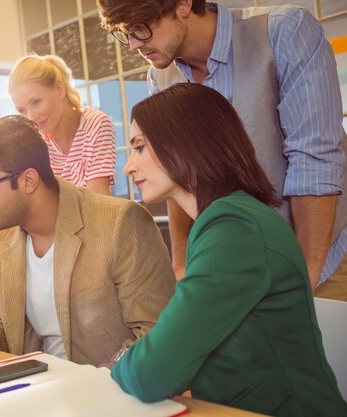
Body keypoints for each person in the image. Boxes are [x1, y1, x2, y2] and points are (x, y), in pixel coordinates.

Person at [111, 83, 347, 417]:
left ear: (185, 141)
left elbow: (153, 372)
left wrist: (122, 361)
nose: (129, 167)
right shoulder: (226, 220)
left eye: (139, 147)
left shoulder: (234, 229)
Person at [96, 0, 347, 299]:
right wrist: (182, 267)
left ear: (183, 4)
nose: (134, 44)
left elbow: (313, 162)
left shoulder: (284, 32)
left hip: (324, 257)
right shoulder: (161, 78)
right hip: (242, 270)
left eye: (141, 27)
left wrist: (301, 281)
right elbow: (177, 175)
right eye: (126, 33)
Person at [0, 115, 176, 366]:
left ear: (28, 180)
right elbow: (7, 332)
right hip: (37, 393)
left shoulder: (119, 223)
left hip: (114, 394)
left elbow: (160, 341)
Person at [8, 54, 116, 196]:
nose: (31, 117)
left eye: (36, 102)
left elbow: (98, 203)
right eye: (22, 110)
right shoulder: (38, 143)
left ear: (60, 90)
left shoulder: (95, 124)